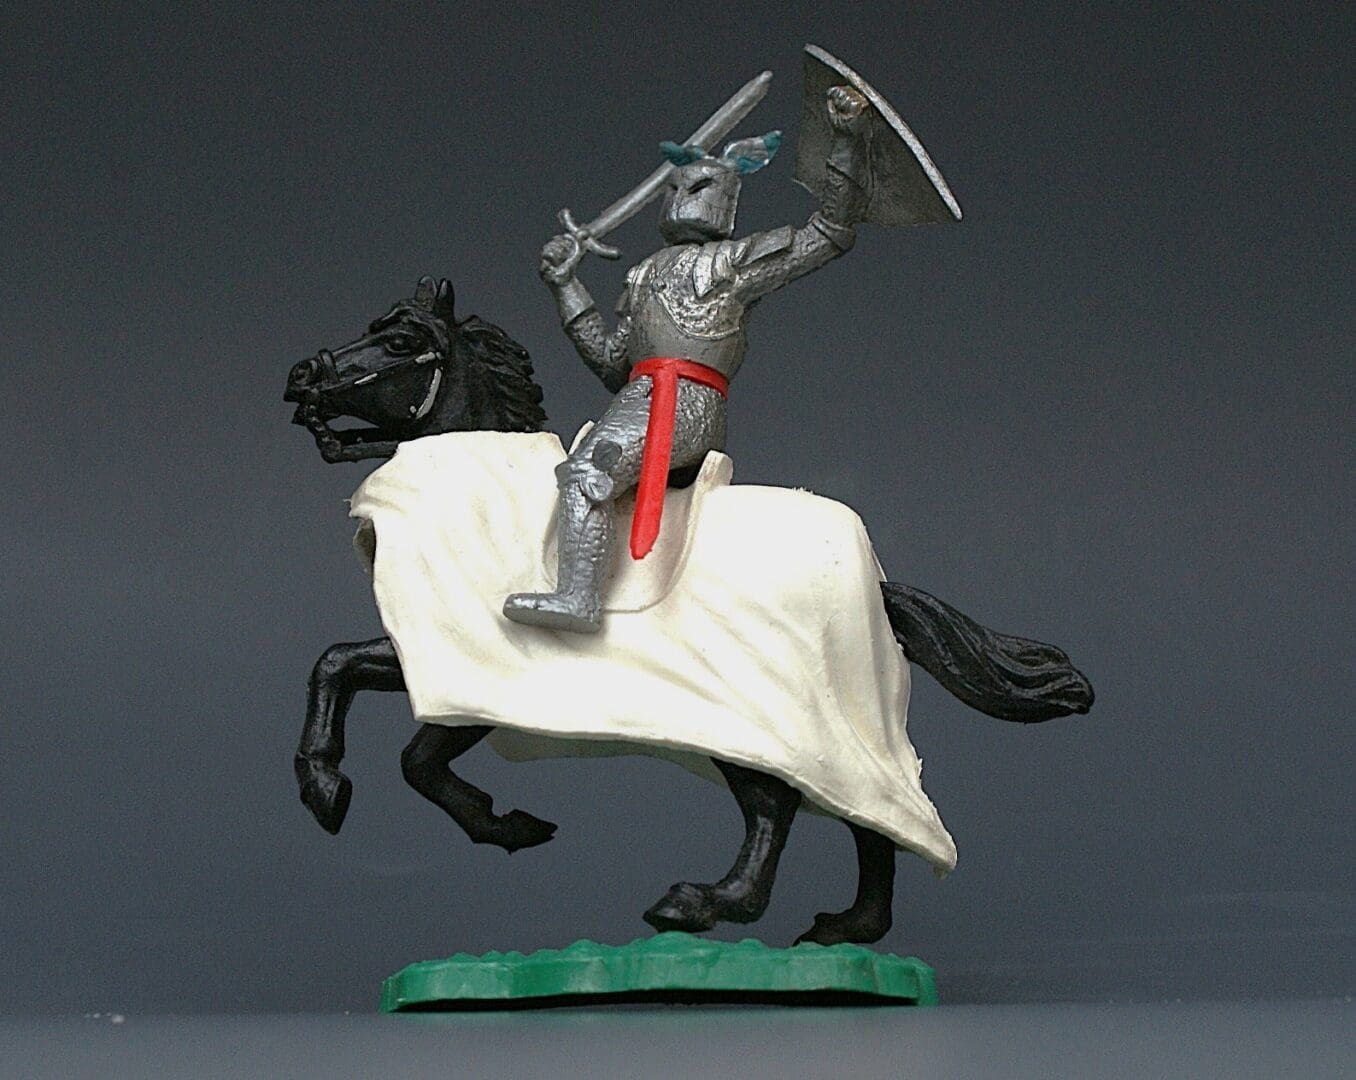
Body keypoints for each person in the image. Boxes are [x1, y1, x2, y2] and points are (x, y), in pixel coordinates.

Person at [503, 85, 873, 633]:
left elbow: (828, 232)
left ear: (726, 197)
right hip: (637, 399)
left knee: (587, 472)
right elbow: (611, 362)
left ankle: (578, 599)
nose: (680, 197)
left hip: (687, 404)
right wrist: (567, 287)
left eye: (697, 186)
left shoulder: (733, 262)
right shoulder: (643, 274)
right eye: (674, 187)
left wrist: (846, 140)